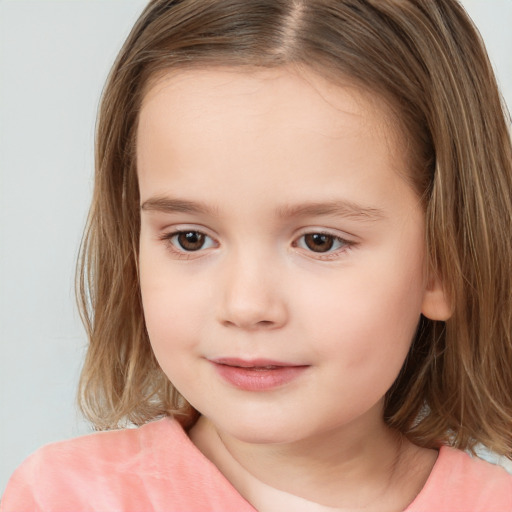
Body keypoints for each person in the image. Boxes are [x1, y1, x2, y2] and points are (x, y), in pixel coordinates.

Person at [2, 0, 512, 510]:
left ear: (446, 262)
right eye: (191, 239)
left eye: (319, 241)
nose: (246, 306)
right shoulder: (67, 498)